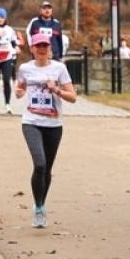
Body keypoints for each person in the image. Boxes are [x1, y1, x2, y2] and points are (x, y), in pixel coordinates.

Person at [14, 30, 77, 228]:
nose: (42, 49)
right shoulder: (25, 68)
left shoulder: (60, 68)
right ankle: (39, 208)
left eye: (45, 46)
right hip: (31, 122)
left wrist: (56, 89)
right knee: (39, 164)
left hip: (53, 125)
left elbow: (73, 97)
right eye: (38, 46)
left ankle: (40, 204)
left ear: (50, 49)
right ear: (32, 49)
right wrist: (18, 92)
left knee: (47, 168)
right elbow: (20, 88)